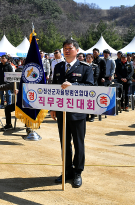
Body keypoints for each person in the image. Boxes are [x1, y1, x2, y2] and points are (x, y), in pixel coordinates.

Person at [50, 38, 94, 188]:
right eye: (65, 48)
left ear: (77, 50)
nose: (67, 50)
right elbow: (54, 88)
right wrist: (53, 107)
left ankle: (78, 172)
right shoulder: (58, 67)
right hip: (62, 111)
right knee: (64, 143)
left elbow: (90, 87)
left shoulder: (85, 68)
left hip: (78, 112)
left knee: (78, 143)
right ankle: (67, 170)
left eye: (70, 48)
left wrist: (74, 85)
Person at [86, 53, 100, 122]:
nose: (88, 59)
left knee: (92, 102)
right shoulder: (83, 66)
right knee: (86, 101)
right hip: (85, 86)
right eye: (87, 58)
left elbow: (96, 76)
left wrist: (90, 82)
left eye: (89, 58)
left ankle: (92, 116)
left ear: (92, 59)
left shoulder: (95, 66)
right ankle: (86, 116)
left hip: (93, 85)